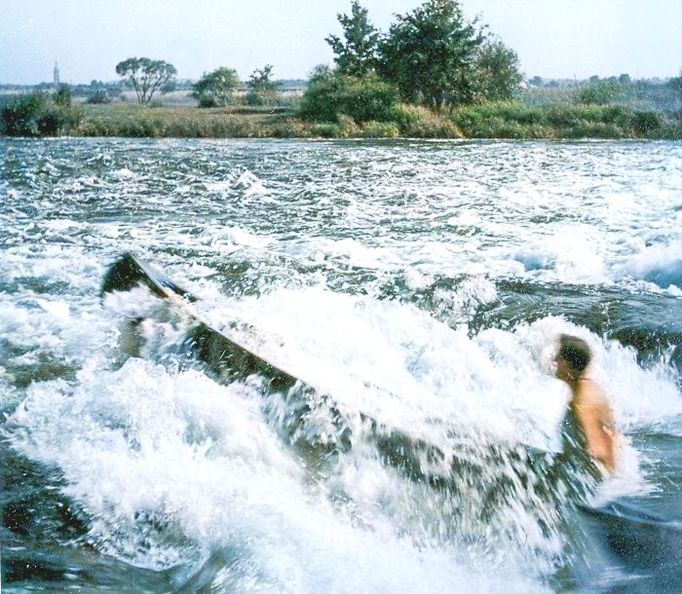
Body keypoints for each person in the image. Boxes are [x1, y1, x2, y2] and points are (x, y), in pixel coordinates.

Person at [554, 334, 617, 475]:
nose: (554, 360)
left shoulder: (582, 401)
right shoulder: (589, 388)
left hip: (597, 482)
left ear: (568, 365)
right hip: (608, 478)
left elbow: (596, 449)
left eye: (559, 357)